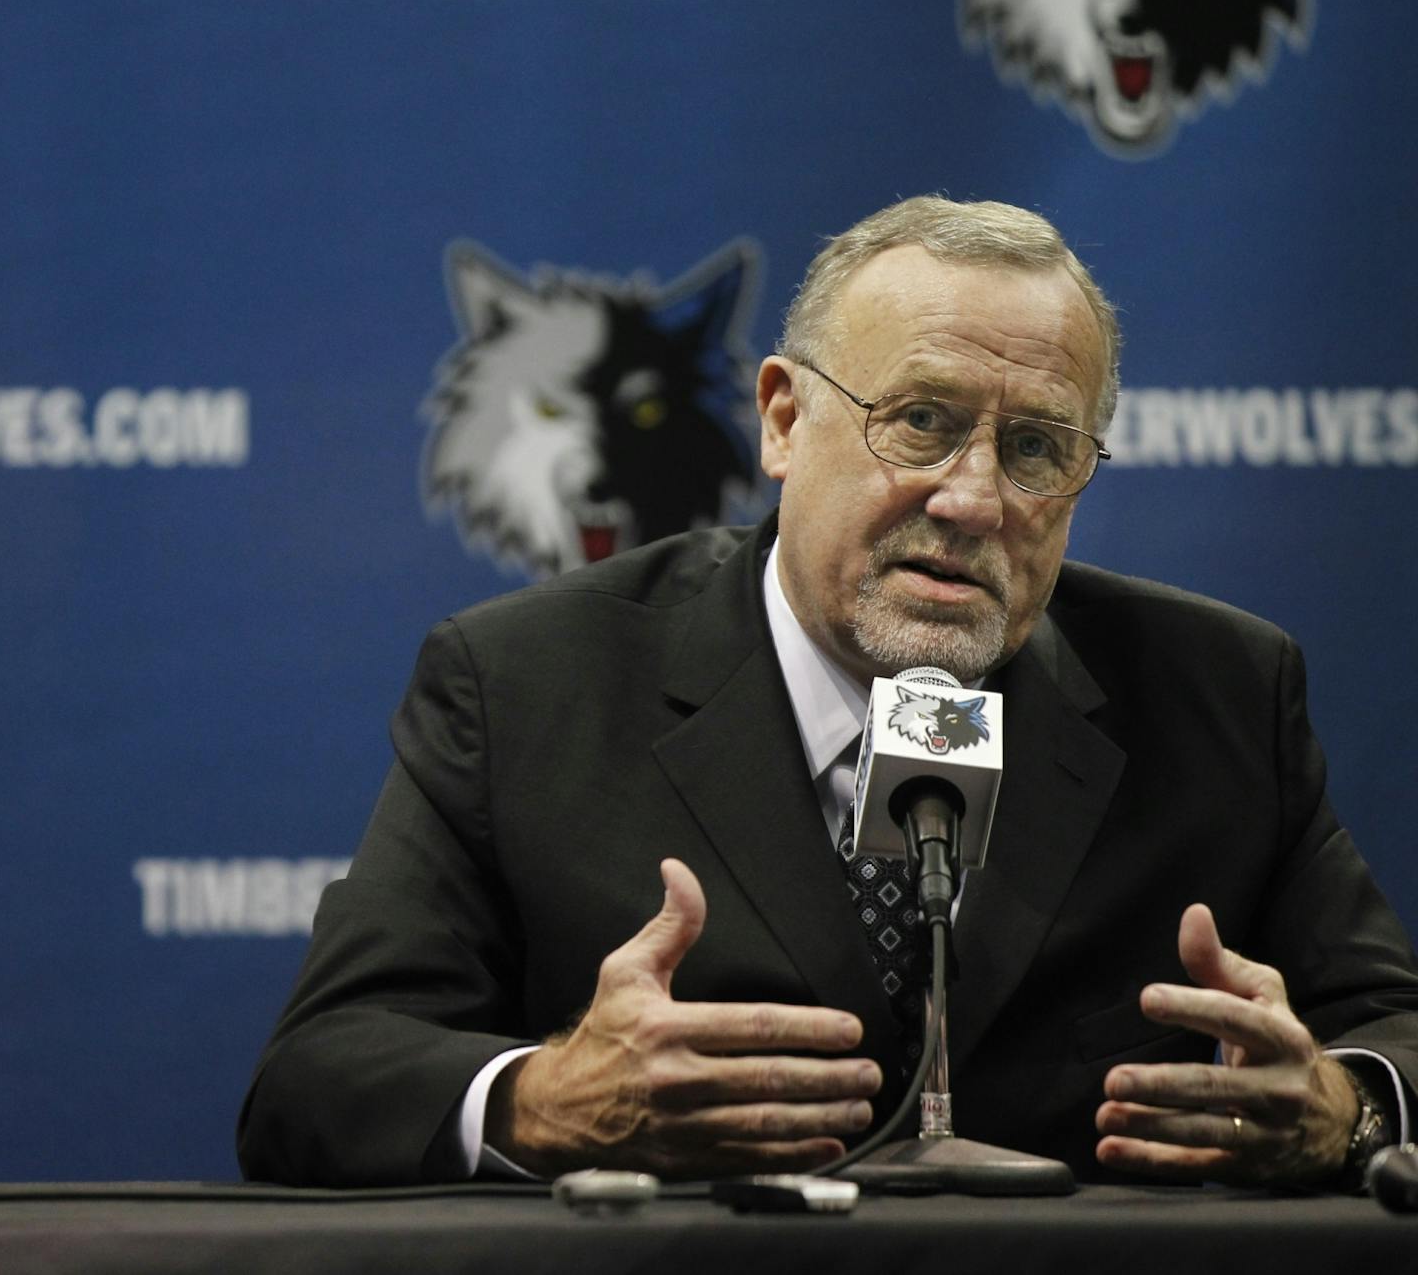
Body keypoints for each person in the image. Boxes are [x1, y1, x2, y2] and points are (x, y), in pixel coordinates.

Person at [238, 196, 1418, 1190]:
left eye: (1037, 448)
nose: (972, 498)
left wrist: (1347, 1108)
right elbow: (315, 1076)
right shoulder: (527, 684)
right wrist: (542, 1098)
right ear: (784, 420)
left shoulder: (1217, 693)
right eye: (922, 422)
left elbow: (1394, 1036)